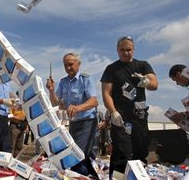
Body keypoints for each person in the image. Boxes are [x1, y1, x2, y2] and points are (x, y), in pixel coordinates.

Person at [100, 36, 158, 176]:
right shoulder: (111, 69)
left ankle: (137, 177)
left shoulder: (143, 65)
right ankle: (118, 177)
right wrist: (113, 112)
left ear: (133, 50)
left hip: (139, 116)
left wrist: (147, 82)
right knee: (122, 153)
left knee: (140, 151)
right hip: (120, 118)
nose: (126, 53)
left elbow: (154, 84)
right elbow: (106, 93)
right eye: (122, 50)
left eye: (129, 49)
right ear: (117, 50)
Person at [46, 52, 98, 176]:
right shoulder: (63, 82)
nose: (68, 68)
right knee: (78, 154)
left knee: (77, 156)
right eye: (65, 65)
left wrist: (78, 107)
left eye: (71, 64)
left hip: (87, 122)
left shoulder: (86, 79)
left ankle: (80, 176)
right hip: (74, 123)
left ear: (78, 64)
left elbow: (94, 101)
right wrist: (52, 91)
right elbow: (58, 104)